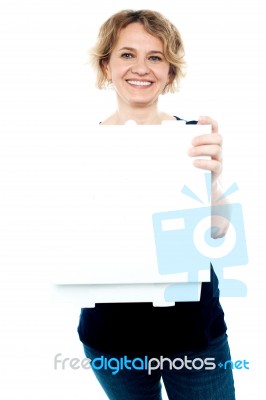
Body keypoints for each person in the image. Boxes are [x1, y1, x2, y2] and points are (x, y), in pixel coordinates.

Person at [77, 9, 235, 399]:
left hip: (194, 336)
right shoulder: (79, 149)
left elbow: (217, 232)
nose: (141, 68)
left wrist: (212, 178)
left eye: (155, 56)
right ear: (106, 65)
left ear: (170, 71)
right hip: (111, 339)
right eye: (127, 54)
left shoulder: (191, 140)